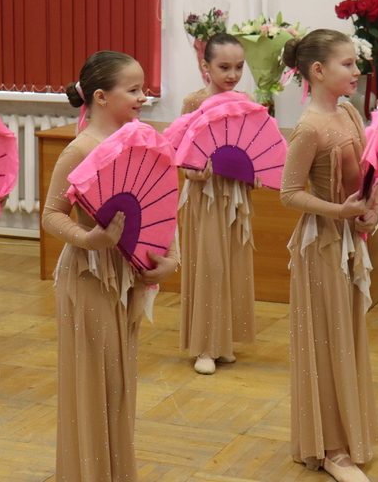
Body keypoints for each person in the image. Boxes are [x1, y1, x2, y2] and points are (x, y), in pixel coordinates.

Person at [42, 51, 179, 481]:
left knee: (119, 381)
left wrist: (171, 260)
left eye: (144, 88)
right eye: (133, 89)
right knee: (92, 380)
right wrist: (90, 239)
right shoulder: (80, 149)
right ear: (100, 97)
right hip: (88, 276)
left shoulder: (142, 142)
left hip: (127, 276)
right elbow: (50, 215)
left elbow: (161, 209)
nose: (143, 97)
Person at [280, 29, 378, 482]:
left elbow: (371, 171)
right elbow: (289, 193)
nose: (357, 70)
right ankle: (330, 448)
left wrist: (371, 211)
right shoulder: (309, 127)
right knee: (327, 340)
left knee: (347, 336)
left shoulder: (349, 112)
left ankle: (347, 433)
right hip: (321, 246)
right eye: (348, 63)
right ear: (318, 71)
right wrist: (338, 211)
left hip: (348, 241)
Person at [177, 32, 257, 374]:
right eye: (224, 67)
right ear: (205, 66)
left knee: (230, 265)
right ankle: (204, 347)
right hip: (204, 195)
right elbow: (180, 153)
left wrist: (252, 172)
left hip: (234, 194)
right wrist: (193, 173)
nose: (233, 74)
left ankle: (222, 341)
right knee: (208, 266)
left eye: (239, 67)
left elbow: (252, 147)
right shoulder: (193, 101)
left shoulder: (245, 101)